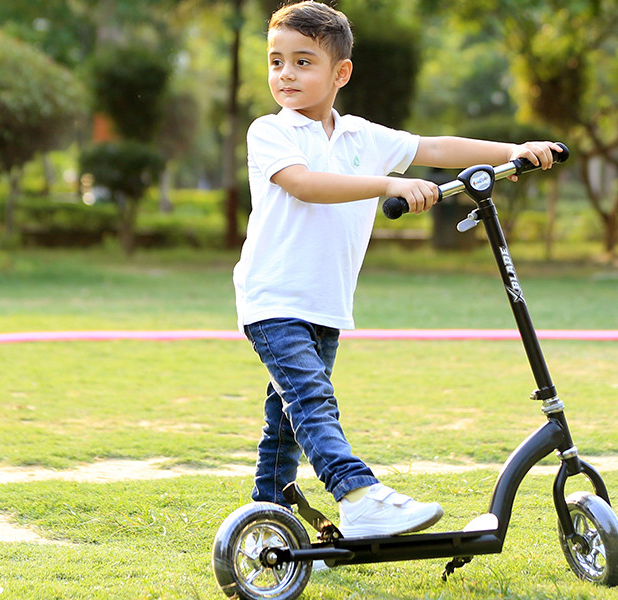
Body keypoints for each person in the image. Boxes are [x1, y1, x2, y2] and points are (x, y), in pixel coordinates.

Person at [233, 0, 563, 538]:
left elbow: (434, 146)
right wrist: (389, 183)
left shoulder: (362, 136)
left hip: (325, 303)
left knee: (287, 419)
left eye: (302, 62)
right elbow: (305, 185)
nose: (285, 74)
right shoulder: (271, 132)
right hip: (273, 299)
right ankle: (358, 496)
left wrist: (514, 149)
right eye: (276, 62)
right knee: (311, 402)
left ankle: (270, 522)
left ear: (340, 73)